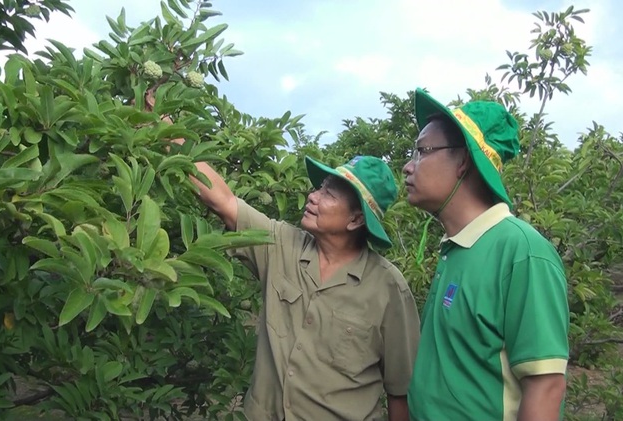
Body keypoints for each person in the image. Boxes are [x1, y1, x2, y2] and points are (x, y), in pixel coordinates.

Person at [155, 100, 420, 419]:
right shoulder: (282, 244)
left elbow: (399, 392)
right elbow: (223, 200)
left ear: (355, 220)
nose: (313, 196)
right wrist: (166, 127)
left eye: (329, 195)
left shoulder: (388, 289)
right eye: (319, 188)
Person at [402, 88, 570, 420]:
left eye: (422, 151)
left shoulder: (521, 251)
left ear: (463, 160)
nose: (408, 166)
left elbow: (546, 386)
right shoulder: (457, 248)